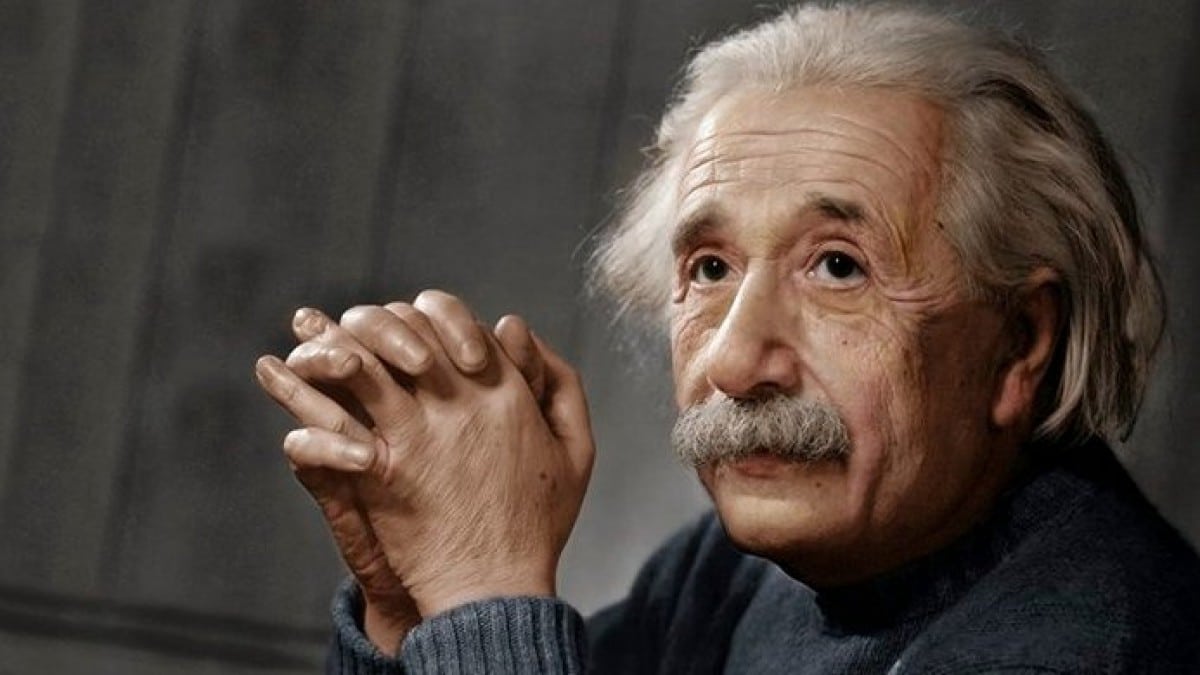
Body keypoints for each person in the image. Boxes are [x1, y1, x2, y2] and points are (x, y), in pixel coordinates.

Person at [254, 3, 1200, 672]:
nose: (735, 361)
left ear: (1021, 342)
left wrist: (482, 591)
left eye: (839, 266)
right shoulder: (734, 569)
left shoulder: (1088, 644)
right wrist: (409, 608)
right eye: (710, 268)